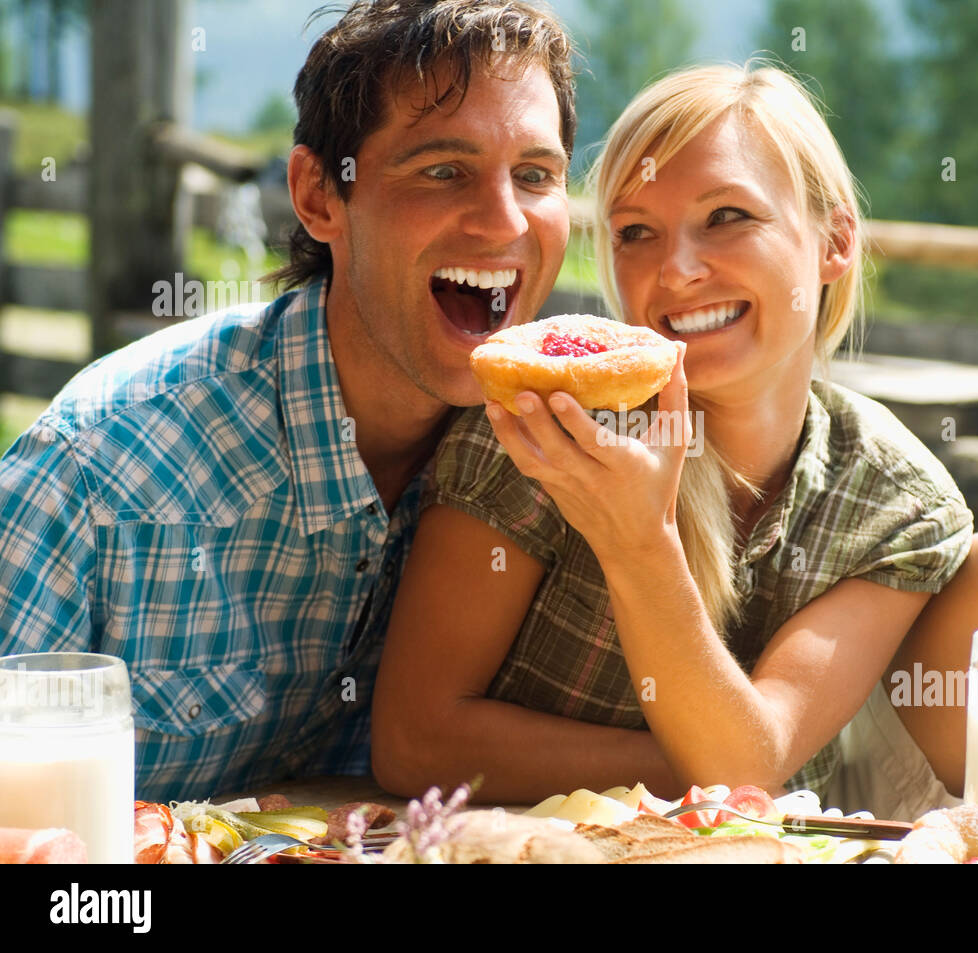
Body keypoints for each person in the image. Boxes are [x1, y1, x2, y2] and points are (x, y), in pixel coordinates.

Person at [371, 63, 978, 822]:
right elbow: (413, 740)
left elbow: (748, 757)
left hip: (810, 816)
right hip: (585, 830)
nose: (679, 269)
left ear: (835, 242)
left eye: (726, 216)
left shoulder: (892, 498)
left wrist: (640, 546)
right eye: (634, 232)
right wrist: (713, 768)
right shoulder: (540, 429)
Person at [0, 0, 576, 801]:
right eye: (443, 170)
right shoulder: (95, 469)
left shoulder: (569, 455)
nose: (505, 219)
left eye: (537, 175)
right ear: (317, 196)